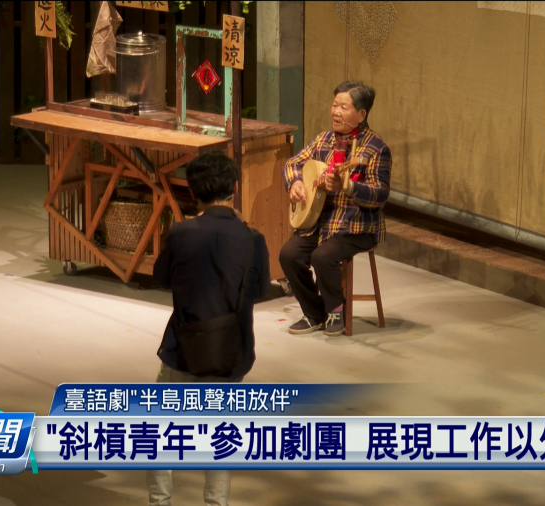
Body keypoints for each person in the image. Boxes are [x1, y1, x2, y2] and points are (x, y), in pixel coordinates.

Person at [150, 150, 270, 506]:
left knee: (158, 433)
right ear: (235, 188)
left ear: (193, 191)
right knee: (221, 438)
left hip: (182, 349)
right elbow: (261, 291)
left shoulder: (181, 233)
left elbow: (161, 278)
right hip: (231, 352)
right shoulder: (253, 240)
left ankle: (160, 501)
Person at [280, 81, 392, 336]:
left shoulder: (375, 149)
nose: (336, 112)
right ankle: (314, 313)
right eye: (334, 105)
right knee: (288, 255)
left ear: (361, 114)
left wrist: (348, 187)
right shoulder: (324, 140)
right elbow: (293, 163)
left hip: (357, 226)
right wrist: (295, 183)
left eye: (344, 107)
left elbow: (380, 195)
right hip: (321, 223)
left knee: (323, 257)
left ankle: (335, 310)